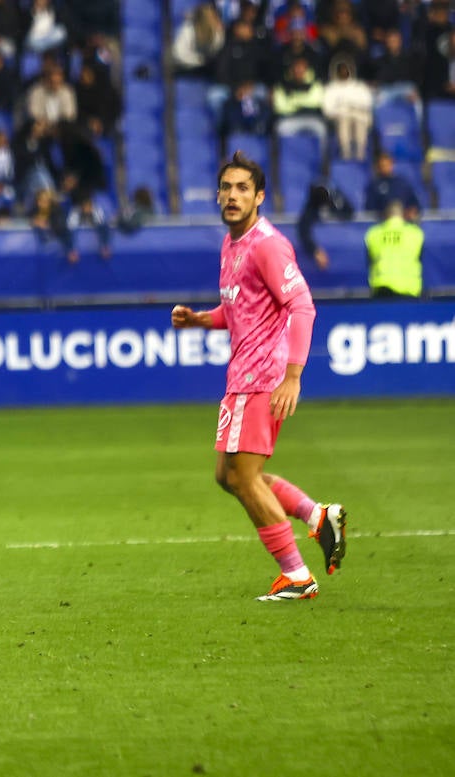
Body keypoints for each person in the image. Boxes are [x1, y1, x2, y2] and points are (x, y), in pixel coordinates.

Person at [170, 152, 347, 602]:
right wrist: (199, 320)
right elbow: (237, 310)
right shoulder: (232, 244)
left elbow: (302, 305)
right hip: (242, 376)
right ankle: (316, 515)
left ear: (260, 196)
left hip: (263, 377)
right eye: (226, 187)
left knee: (243, 477)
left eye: (243, 188)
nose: (233, 196)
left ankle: (297, 575)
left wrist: (294, 376)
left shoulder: (267, 244)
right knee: (227, 475)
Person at [364, 200, 424, 298]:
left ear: (385, 215)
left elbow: (369, 261)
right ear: (403, 214)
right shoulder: (416, 233)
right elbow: (420, 258)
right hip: (409, 290)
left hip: (381, 289)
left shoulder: (373, 233)